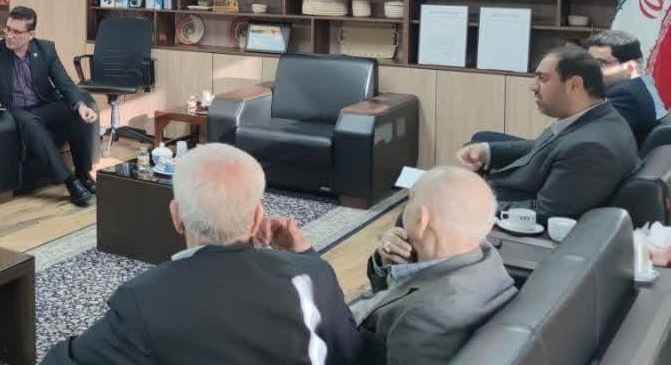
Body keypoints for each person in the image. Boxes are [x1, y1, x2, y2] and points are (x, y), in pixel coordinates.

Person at [40, 144, 361, 364]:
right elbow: (352, 352)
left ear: (176, 217)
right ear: (256, 219)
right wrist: (306, 255)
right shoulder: (315, 274)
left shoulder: (145, 299)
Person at [455, 45, 640, 223]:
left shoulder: (592, 149)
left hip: (504, 213)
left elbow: (545, 212)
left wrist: (474, 204)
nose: (533, 86)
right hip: (502, 193)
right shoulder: (596, 116)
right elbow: (548, 148)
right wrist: (487, 151)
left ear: (574, 85)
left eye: (543, 79)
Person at [353, 167, 516, 364]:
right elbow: (391, 294)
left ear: (422, 221)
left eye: (410, 199)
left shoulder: (425, 319)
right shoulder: (484, 255)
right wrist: (387, 261)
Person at [0, 5, 99, 207]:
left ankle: (83, 174)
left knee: (76, 110)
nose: (9, 36)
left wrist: (81, 106)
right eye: (8, 29)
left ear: (31, 35)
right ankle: (70, 182)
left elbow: (64, 83)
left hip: (42, 106)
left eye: (16, 32)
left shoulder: (46, 49)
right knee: (29, 122)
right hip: (14, 111)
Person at [584, 30, 666, 146]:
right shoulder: (642, 84)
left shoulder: (624, 95)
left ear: (630, 67)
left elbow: (585, 135)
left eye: (600, 63)